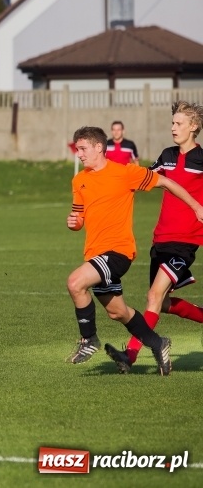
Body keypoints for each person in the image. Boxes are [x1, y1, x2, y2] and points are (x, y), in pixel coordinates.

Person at [65, 125, 203, 376]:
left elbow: (166, 182)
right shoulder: (79, 180)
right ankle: (157, 343)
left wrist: (195, 205)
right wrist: (74, 222)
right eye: (77, 149)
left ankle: (89, 340)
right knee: (117, 312)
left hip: (118, 252)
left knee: (75, 282)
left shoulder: (125, 173)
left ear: (99, 147)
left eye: (83, 148)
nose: (79, 154)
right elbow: (78, 216)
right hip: (94, 253)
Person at [105, 101, 203, 373]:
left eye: (178, 123)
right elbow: (143, 177)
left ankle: (131, 355)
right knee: (163, 302)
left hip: (185, 243)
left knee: (153, 295)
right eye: (172, 123)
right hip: (160, 240)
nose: (173, 127)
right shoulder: (167, 155)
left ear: (193, 127)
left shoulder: (201, 159)